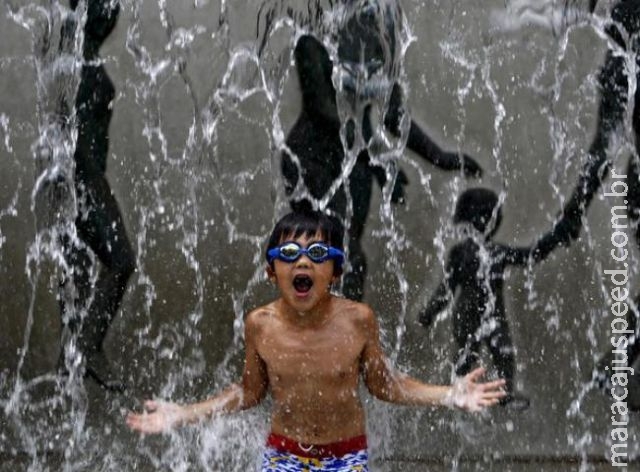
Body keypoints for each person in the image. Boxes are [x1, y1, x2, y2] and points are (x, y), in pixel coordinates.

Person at [127, 210, 505, 471]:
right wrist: (183, 413)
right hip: (284, 455)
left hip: (345, 457)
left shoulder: (358, 320)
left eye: (318, 253)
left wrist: (449, 394)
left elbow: (385, 385)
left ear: (336, 272)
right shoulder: (260, 324)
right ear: (271, 271)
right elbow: (249, 392)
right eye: (289, 254)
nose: (303, 263)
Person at [264, 0, 483, 301]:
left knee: (351, 258)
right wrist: (377, 161)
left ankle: (346, 338)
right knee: (334, 249)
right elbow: (324, 110)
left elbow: (394, 115)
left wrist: (441, 157)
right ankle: (319, 337)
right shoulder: (310, 41)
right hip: (311, 158)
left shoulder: (376, 39)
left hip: (355, 162)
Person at [419, 188, 577, 411]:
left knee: (504, 352)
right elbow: (446, 289)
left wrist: (557, 235)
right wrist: (431, 311)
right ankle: (458, 391)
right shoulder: (460, 254)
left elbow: (533, 254)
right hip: (467, 315)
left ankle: (504, 393)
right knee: (467, 354)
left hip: (494, 315)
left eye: (489, 214)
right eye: (482, 214)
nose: (485, 220)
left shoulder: (497, 252)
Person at [58, 0, 135, 392]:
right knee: (121, 259)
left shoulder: (77, 56)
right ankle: (89, 346)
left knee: (79, 280)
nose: (114, 15)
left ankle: (65, 389)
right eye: (106, 7)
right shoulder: (72, 60)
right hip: (81, 177)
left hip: (79, 177)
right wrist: (82, 180)